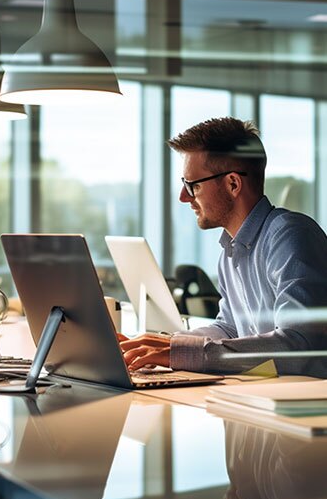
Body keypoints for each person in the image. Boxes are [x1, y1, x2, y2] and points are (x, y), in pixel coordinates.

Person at [121, 117, 327, 377]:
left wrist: (180, 353)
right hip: (263, 401)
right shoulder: (230, 252)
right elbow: (229, 329)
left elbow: (297, 346)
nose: (183, 197)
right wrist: (164, 344)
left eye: (192, 185)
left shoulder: (290, 235)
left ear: (233, 183)